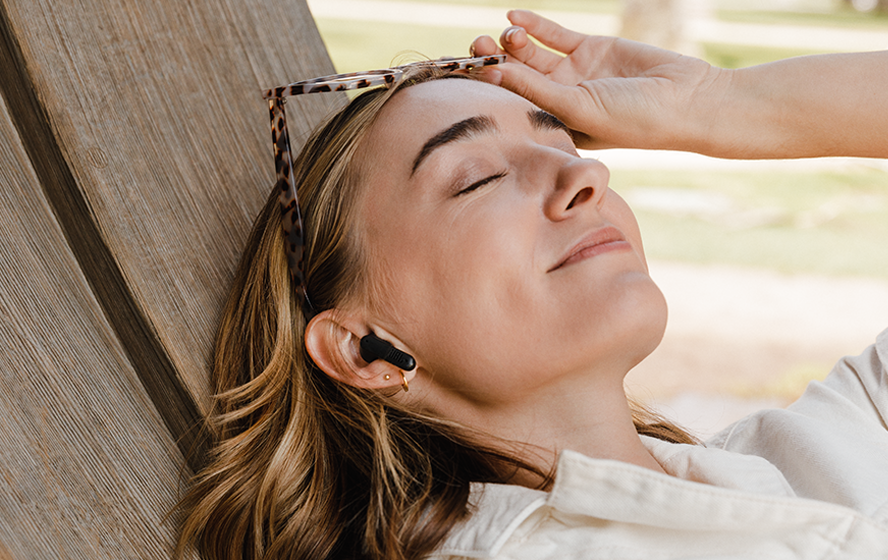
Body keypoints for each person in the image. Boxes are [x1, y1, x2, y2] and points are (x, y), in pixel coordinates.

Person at [176, 10, 888, 560]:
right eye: (478, 179)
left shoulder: (808, 458)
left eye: (564, 144)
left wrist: (718, 102)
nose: (586, 174)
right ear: (365, 348)